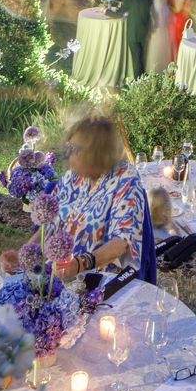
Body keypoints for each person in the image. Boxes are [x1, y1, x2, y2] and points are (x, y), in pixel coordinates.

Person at [41, 116, 147, 280]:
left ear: (96, 153)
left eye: (74, 150)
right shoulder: (73, 176)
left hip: (101, 281)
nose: (68, 154)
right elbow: (49, 222)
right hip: (58, 273)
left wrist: (80, 264)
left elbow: (122, 242)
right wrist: (26, 251)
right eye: (68, 147)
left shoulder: (126, 179)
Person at [146, 0, 175, 74]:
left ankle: (154, 68)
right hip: (164, 12)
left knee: (154, 40)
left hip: (156, 12)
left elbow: (149, 0)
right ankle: (164, 67)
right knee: (163, 38)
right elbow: (170, 2)